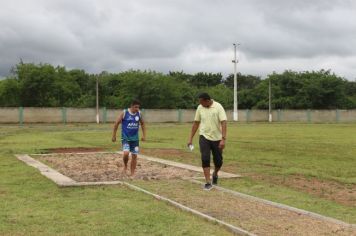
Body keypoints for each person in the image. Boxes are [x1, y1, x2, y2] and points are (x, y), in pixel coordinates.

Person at [188, 93, 227, 190]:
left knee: (218, 161)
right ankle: (208, 182)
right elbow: (196, 123)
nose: (200, 104)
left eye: (201, 102)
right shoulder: (200, 108)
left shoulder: (218, 107)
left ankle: (215, 174)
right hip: (204, 137)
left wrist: (223, 139)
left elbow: (224, 122)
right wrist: (190, 139)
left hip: (217, 138)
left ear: (207, 100)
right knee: (205, 158)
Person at [112, 99, 146, 176]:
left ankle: (132, 173)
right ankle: (125, 166)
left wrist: (144, 135)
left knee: (134, 156)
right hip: (126, 138)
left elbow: (143, 124)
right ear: (131, 106)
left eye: (138, 107)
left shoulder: (139, 113)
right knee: (126, 153)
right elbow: (116, 123)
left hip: (135, 140)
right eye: (135, 107)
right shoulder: (125, 112)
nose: (137, 109)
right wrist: (114, 136)